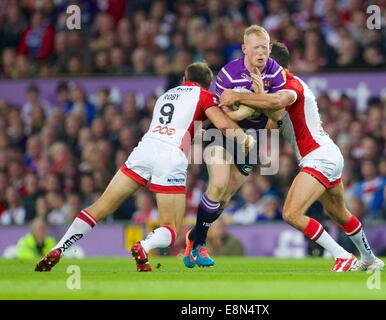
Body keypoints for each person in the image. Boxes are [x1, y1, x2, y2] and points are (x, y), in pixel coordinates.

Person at [35, 62, 255, 272]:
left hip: (144, 149)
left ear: (184, 79)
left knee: (100, 207)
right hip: (170, 156)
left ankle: (59, 248)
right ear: (207, 84)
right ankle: (144, 246)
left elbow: (185, 127)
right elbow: (224, 125)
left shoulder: (165, 96)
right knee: (170, 228)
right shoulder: (205, 96)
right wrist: (245, 140)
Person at [219, 41, 385, 271]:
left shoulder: (291, 85)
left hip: (319, 157)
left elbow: (277, 102)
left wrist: (237, 96)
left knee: (291, 213)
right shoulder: (274, 90)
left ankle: (342, 255)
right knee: (339, 213)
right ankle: (370, 259)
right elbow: (271, 123)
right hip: (326, 154)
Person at [183, 25, 286, 268]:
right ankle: (200, 244)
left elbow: (277, 118)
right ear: (245, 49)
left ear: (270, 48)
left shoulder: (276, 74)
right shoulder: (229, 73)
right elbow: (223, 113)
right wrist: (256, 104)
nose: (261, 52)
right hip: (222, 132)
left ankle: (194, 235)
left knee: (226, 195)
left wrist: (259, 100)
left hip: (255, 138)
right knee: (217, 183)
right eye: (256, 47)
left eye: (265, 47)